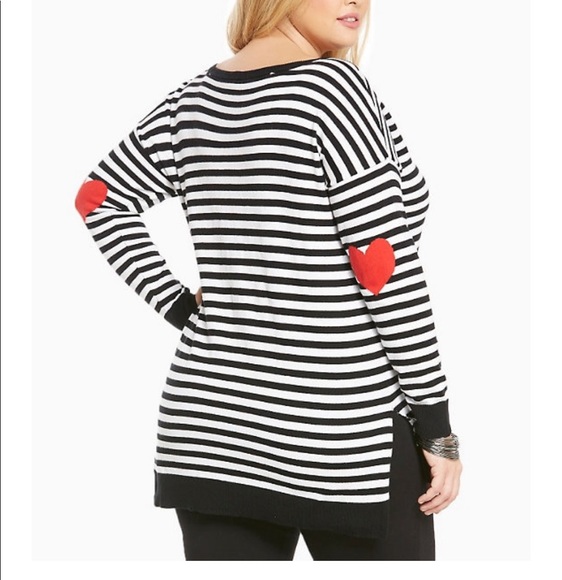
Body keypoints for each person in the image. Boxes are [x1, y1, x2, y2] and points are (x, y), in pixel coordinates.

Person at [74, 0, 462, 561]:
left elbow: (96, 199)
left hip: (209, 431)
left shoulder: (191, 101)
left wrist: (182, 308)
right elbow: (386, 277)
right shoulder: (336, 91)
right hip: (342, 434)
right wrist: (437, 429)